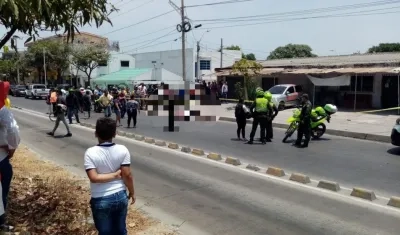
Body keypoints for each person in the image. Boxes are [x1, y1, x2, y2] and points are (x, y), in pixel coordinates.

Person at [84, 117, 135, 235]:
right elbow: (127, 175)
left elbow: (94, 178)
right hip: (121, 196)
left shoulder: (90, 152)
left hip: (101, 199)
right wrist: (132, 192)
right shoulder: (123, 150)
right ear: (115, 134)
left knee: (105, 232)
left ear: (96, 133)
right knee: (121, 230)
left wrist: (113, 175)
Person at [0, 81, 20, 232]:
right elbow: (13, 131)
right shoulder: (2, 110)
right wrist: (12, 149)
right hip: (1, 158)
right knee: (2, 192)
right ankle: (1, 223)